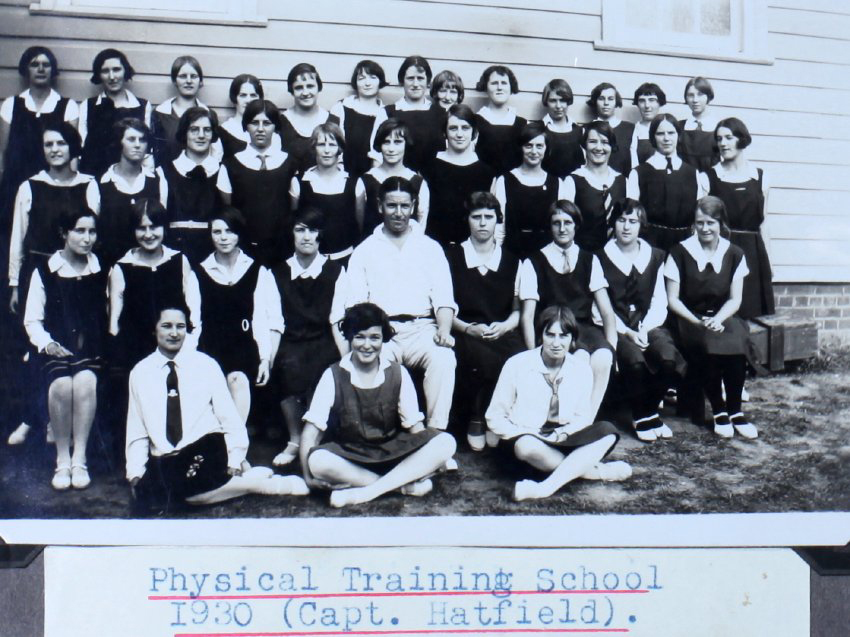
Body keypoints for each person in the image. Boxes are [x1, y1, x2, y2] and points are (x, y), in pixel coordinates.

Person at [125, 304, 308, 516]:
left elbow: (229, 418)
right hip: (167, 458)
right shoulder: (140, 372)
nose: (174, 333)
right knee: (157, 496)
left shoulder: (205, 365)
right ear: (154, 329)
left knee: (187, 494)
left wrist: (234, 459)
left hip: (206, 448)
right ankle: (244, 482)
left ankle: (267, 485)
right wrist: (135, 472)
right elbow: (137, 429)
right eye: (167, 326)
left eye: (180, 326)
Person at [300, 302, 456, 508]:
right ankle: (402, 487)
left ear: (384, 339)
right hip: (351, 457)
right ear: (349, 337)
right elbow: (310, 434)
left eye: (374, 337)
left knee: (446, 442)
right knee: (318, 461)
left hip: (391, 453)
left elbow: (415, 428)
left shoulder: (398, 372)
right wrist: (307, 476)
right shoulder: (333, 375)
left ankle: (365, 492)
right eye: (360, 337)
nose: (367, 345)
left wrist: (428, 454)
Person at [6, 123, 99, 446]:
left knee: (71, 343)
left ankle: (57, 420)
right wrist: (15, 283)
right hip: (38, 271)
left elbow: (91, 232)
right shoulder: (30, 186)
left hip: (74, 274)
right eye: (49, 145)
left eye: (61, 143)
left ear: (72, 147)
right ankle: (32, 418)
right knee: (35, 347)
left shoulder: (88, 184)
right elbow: (18, 237)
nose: (55, 150)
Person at [486, 305, 631, 501]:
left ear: (572, 339)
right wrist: (526, 432)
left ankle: (544, 488)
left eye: (563, 336)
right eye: (550, 335)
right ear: (541, 336)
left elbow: (582, 417)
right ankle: (594, 471)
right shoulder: (517, 364)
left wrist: (563, 433)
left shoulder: (581, 369)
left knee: (608, 431)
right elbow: (494, 416)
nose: (556, 343)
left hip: (562, 438)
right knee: (526, 446)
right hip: (525, 445)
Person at [347, 176, 457, 433]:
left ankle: (435, 434)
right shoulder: (364, 250)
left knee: (444, 358)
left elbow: (443, 298)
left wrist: (443, 330)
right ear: (380, 206)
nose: (398, 213)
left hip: (422, 328)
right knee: (370, 360)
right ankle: (386, 434)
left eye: (404, 206)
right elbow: (356, 305)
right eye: (392, 205)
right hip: (382, 331)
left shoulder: (430, 247)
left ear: (413, 206)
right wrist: (373, 334)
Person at [23, 208, 106, 490]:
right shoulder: (45, 271)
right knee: (61, 384)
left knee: (85, 382)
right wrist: (49, 344)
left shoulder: (101, 269)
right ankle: (62, 459)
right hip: (55, 348)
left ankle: (79, 458)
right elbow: (32, 320)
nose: (87, 238)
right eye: (79, 231)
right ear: (64, 233)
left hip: (91, 348)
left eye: (91, 232)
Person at [665, 196, 757, 439]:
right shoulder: (679, 252)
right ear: (693, 224)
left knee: (737, 341)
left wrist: (718, 319)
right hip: (688, 318)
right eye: (700, 223)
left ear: (721, 223)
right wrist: (697, 321)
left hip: (722, 315)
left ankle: (735, 411)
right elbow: (673, 299)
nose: (705, 228)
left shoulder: (735, 253)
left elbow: (735, 299)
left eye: (710, 222)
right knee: (708, 343)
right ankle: (719, 411)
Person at [596, 200, 686, 441]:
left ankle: (650, 410)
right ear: (613, 224)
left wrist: (645, 329)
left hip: (648, 324)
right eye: (621, 220)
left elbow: (659, 300)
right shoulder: (600, 258)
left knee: (667, 357)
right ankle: (640, 415)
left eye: (633, 221)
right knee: (634, 360)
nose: (626, 227)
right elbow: (600, 308)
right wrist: (627, 332)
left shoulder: (655, 256)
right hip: (616, 326)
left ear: (641, 225)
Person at [519, 200, 618, 420]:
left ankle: (586, 420)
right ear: (550, 226)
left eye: (568, 222)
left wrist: (613, 348)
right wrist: (532, 355)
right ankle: (565, 418)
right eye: (556, 223)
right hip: (554, 330)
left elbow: (607, 312)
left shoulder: (589, 259)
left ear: (576, 226)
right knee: (579, 358)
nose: (562, 228)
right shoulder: (534, 261)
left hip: (584, 328)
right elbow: (527, 316)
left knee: (603, 357)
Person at [269, 207, 348, 467]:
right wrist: (269, 359)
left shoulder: (335, 271)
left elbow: (337, 319)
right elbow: (275, 322)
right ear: (291, 234)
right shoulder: (276, 272)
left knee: (326, 368)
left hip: (322, 338)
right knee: (284, 365)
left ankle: (316, 439)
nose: (306, 237)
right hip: (291, 340)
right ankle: (295, 439)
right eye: (300, 230)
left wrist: (346, 359)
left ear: (320, 235)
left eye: (312, 230)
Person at [446, 192, 523, 451]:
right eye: (476, 217)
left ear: (497, 220)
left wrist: (505, 326)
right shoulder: (452, 256)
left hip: (500, 330)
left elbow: (517, 311)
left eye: (488, 217)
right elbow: (442, 308)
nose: (482, 223)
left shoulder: (512, 260)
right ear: (467, 220)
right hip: (464, 330)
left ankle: (499, 418)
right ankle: (477, 416)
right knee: (480, 359)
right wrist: (468, 328)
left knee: (519, 357)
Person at [196, 207, 279, 429]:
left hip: (245, 347)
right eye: (217, 232)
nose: (223, 237)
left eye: (230, 231)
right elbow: (195, 321)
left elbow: (265, 320)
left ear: (239, 233)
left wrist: (265, 359)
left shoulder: (257, 270)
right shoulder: (200, 272)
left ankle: (235, 441)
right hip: (211, 346)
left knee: (237, 379)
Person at [0, 46, 79, 226]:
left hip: (52, 185)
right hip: (15, 184)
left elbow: (72, 155)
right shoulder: (11, 105)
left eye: (46, 65)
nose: (41, 69)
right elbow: (3, 152)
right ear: (26, 69)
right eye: (35, 64)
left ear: (53, 70)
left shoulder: (67, 106)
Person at [707, 117, 774, 318]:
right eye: (719, 139)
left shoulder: (760, 177)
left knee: (754, 313)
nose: (723, 143)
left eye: (729, 137)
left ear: (741, 139)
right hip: (722, 250)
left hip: (753, 252)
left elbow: (764, 223)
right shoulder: (709, 177)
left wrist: (769, 261)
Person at [217, 99, 297, 266]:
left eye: (267, 123)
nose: (260, 129)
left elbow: (294, 208)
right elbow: (228, 209)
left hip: (281, 249)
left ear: (276, 127)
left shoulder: (289, 164)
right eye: (254, 123)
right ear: (246, 126)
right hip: (244, 250)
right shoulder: (231, 165)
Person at [627, 113, 709, 252]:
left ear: (678, 135)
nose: (666, 138)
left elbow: (699, 214)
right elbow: (632, 215)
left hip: (685, 245)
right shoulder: (639, 173)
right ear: (653, 137)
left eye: (671, 133)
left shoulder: (692, 173)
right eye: (660, 134)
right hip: (650, 245)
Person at [421, 104, 496, 246]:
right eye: (453, 128)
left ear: (473, 132)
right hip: (435, 245)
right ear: (445, 132)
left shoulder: (486, 172)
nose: (459, 134)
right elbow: (423, 212)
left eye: (465, 128)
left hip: (471, 248)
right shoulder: (430, 168)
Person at [97, 118, 167, 267]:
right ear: (119, 142)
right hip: (109, 263)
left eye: (142, 140)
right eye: (131, 139)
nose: (137, 145)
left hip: (147, 264)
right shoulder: (100, 183)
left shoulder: (157, 181)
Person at [159, 106, 222, 264]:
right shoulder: (165, 172)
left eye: (207, 130)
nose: (201, 135)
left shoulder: (222, 171)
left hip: (213, 255)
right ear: (184, 133)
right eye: (194, 130)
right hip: (175, 252)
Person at [494, 121, 565, 258]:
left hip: (547, 256)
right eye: (528, 145)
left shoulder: (557, 183)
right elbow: (499, 227)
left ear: (546, 148)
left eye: (539, 146)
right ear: (521, 147)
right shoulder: (505, 180)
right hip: (513, 253)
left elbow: (562, 225)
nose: (534, 151)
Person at [290, 123, 358, 262]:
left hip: (346, 257)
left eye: (332, 145)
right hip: (310, 260)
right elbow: (294, 222)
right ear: (314, 148)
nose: (327, 151)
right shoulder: (299, 182)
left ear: (339, 148)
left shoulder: (354, 183)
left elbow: (358, 223)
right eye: (321, 145)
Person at [79, 48, 152, 179]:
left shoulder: (142, 106)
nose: (112, 77)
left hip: (131, 178)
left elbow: (146, 151)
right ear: (99, 75)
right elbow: (82, 148)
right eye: (105, 71)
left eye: (116, 69)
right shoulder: (88, 106)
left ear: (125, 71)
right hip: (96, 175)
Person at [356, 118, 430, 238]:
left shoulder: (418, 183)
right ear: (380, 145)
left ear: (406, 144)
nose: (391, 149)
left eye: (397, 142)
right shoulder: (365, 181)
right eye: (386, 142)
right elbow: (360, 224)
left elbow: (421, 225)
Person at [560, 120, 627, 252]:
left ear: (612, 146)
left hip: (616, 256)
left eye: (605, 142)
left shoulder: (623, 181)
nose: (599, 148)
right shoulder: (573, 181)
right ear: (584, 145)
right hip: (584, 256)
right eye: (592, 141)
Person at [150, 56, 217, 166]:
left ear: (200, 81)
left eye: (193, 76)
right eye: (183, 76)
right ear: (174, 81)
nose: (189, 81)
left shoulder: (209, 114)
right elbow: (151, 152)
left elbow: (215, 153)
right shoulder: (159, 114)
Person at [328, 59, 388, 179]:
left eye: (373, 78)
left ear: (380, 81)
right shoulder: (341, 108)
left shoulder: (385, 114)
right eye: (361, 78)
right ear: (355, 82)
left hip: (371, 176)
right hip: (341, 174)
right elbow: (330, 142)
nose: (367, 83)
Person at [384, 55, 443, 172]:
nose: (415, 84)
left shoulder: (440, 113)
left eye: (420, 78)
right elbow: (376, 155)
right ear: (402, 81)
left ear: (427, 81)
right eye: (410, 78)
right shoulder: (388, 112)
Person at [474, 65, 526, 175]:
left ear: (511, 87)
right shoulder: (475, 121)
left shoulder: (522, 124)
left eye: (504, 83)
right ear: (486, 87)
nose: (499, 87)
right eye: (494, 83)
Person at [217, 74, 282, 160]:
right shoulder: (224, 131)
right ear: (234, 98)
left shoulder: (271, 133)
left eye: (253, 95)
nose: (248, 100)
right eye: (243, 95)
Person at [280, 63, 330, 173]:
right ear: (292, 91)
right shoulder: (281, 122)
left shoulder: (332, 120)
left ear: (318, 87)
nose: (305, 92)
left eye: (310, 86)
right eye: (299, 88)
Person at [540, 79, 584, 179]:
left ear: (568, 101)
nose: (558, 106)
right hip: (549, 185)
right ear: (546, 101)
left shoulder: (579, 131)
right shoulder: (539, 129)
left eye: (562, 100)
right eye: (553, 101)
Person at [587, 82, 633, 176]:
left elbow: (634, 164)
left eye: (610, 99)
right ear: (595, 101)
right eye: (601, 99)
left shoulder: (630, 129)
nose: (606, 103)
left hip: (623, 181)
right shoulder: (586, 129)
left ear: (616, 101)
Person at [679, 77, 719, 172]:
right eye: (690, 95)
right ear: (686, 98)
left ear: (708, 96)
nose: (695, 100)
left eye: (700, 94)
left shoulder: (719, 128)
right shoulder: (678, 128)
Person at [630, 82, 666, 168]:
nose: (647, 105)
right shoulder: (632, 132)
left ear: (660, 103)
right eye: (642, 101)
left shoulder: (669, 130)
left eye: (652, 100)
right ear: (637, 104)